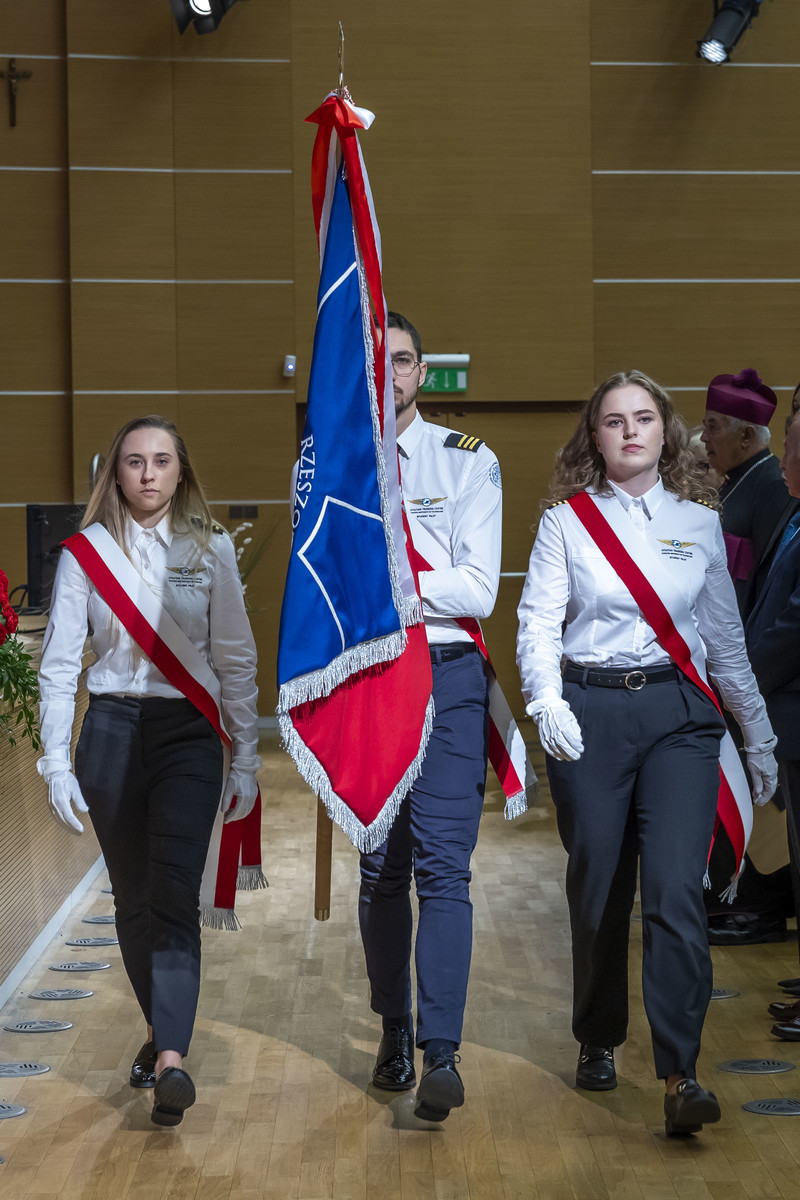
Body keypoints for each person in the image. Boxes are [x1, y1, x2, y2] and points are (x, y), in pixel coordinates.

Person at [517, 370, 777, 1136]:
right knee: (599, 883)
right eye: (614, 420)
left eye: (643, 418)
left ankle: (680, 1072)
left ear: (666, 432)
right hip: (590, 712)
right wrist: (546, 701)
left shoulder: (699, 523)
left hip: (679, 717)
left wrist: (756, 731)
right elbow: (538, 623)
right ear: (594, 437)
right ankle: (598, 1034)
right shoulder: (565, 523)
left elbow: (724, 642)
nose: (630, 430)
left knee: (674, 888)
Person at [36, 415, 260, 1127]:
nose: (148, 473)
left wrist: (247, 754)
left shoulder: (210, 546)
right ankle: (163, 1031)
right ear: (116, 472)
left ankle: (170, 1061)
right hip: (109, 731)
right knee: (132, 898)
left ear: (180, 470)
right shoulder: (86, 555)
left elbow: (236, 658)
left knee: (172, 894)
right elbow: (60, 663)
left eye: (162, 460)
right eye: (134, 461)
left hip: (186, 733)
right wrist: (53, 759)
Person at [358, 311, 502, 1122]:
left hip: (447, 677)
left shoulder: (468, 460)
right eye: (376, 359)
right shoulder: (330, 464)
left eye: (403, 360)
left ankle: (441, 1051)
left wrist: (387, 591)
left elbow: (478, 589)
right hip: (370, 682)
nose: (391, 372)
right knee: (381, 870)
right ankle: (395, 1025)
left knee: (445, 867)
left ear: (422, 373)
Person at [700, 369, 799, 945]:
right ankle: (729, 896)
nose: (704, 438)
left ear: (746, 434)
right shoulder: (734, 483)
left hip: (756, 670)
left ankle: (754, 903)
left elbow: (768, 594)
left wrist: (745, 673)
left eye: (713, 426)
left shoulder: (770, 487)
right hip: (733, 664)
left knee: (761, 799)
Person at [745, 411, 800, 1038]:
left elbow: (793, 627)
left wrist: (745, 678)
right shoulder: (793, 514)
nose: (783, 460)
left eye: (790, 448)